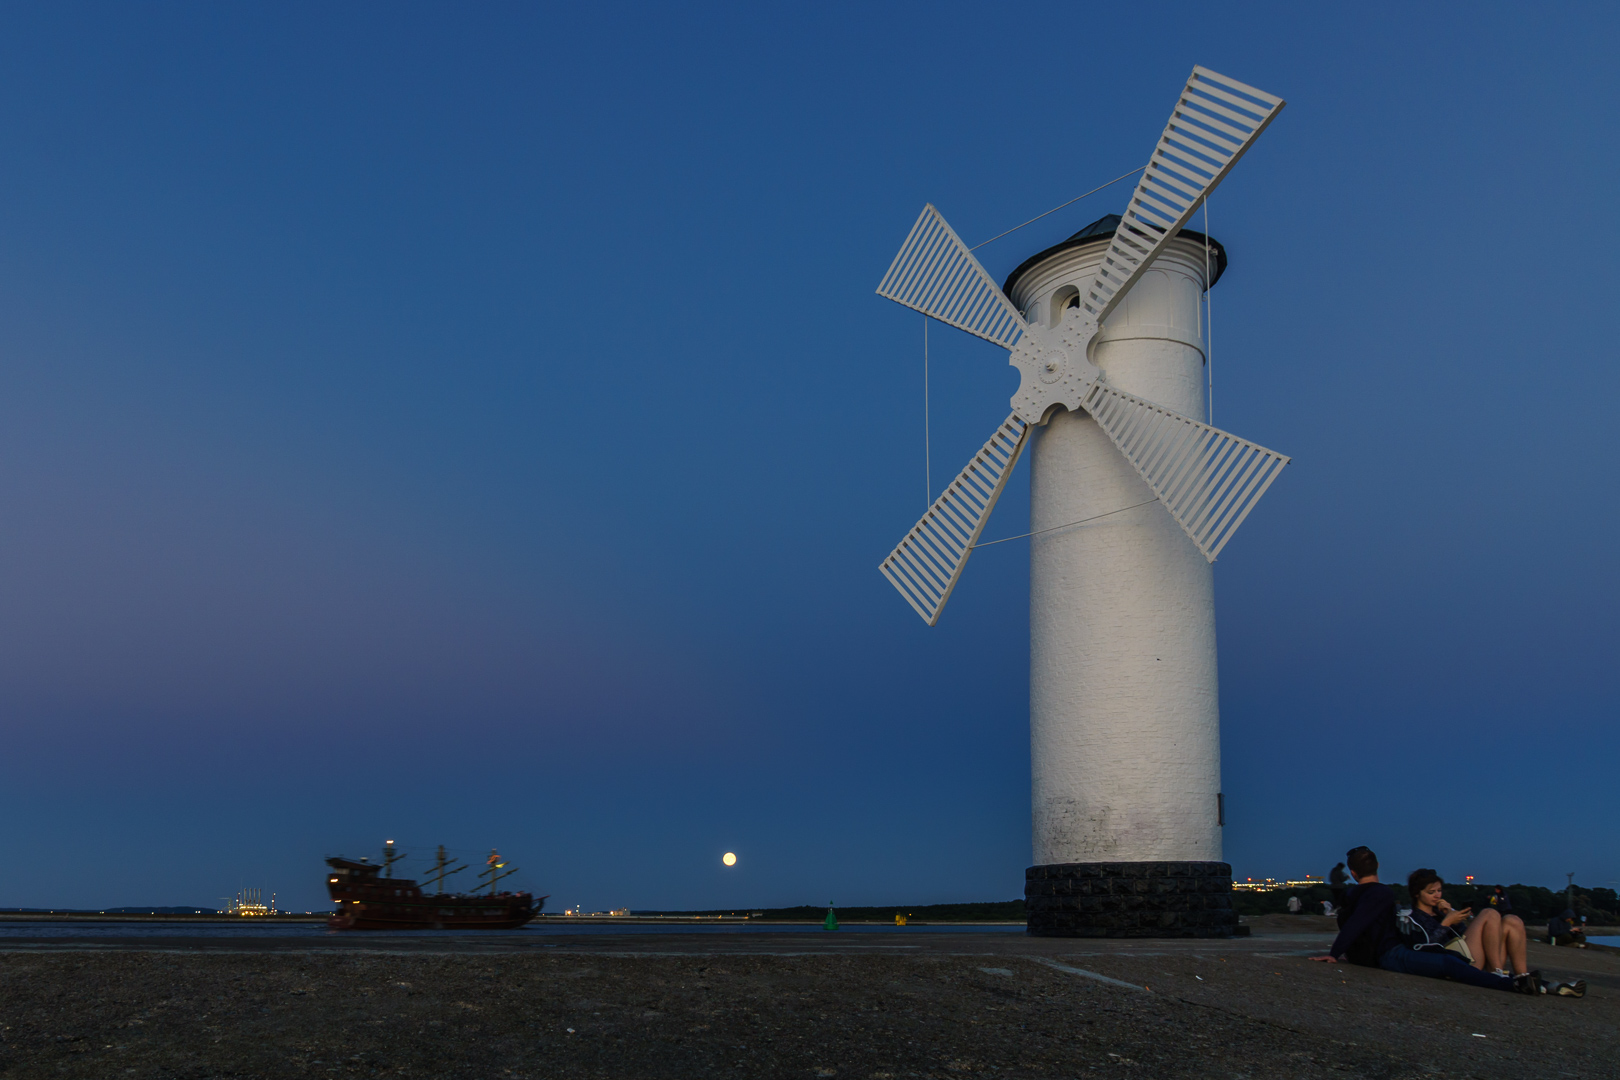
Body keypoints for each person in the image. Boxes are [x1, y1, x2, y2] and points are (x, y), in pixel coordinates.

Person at [1310, 847, 1539, 994]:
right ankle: (1510, 983)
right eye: (1432, 892)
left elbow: (1353, 922)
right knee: (1449, 964)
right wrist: (1334, 952)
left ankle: (1518, 979)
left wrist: (1338, 951)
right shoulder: (1381, 893)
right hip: (1390, 953)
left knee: (1450, 961)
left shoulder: (1354, 896)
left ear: (1353, 873)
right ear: (1378, 866)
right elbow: (1358, 923)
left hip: (1382, 954)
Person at [1405, 869, 1538, 985]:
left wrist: (1450, 913)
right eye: (1431, 892)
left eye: (1439, 891)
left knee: (1512, 920)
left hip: (1472, 954)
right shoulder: (1414, 917)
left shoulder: (1440, 912)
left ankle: (1523, 977)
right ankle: (1496, 972)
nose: (1437, 895)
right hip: (1457, 962)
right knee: (1489, 913)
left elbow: (1463, 933)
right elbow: (1423, 947)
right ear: (1417, 893)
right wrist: (1446, 922)